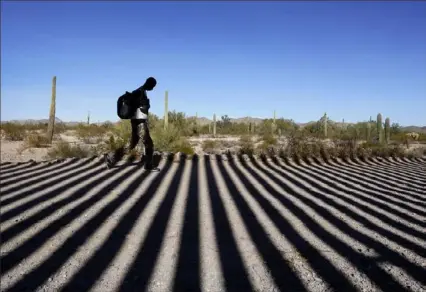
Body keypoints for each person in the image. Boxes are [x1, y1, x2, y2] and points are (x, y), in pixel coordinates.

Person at [104, 77, 159, 171]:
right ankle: (148, 166)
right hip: (139, 122)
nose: (153, 88)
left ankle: (111, 157)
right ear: (149, 84)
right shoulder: (139, 92)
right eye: (153, 86)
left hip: (137, 121)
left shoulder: (140, 91)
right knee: (149, 143)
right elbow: (135, 106)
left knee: (131, 144)